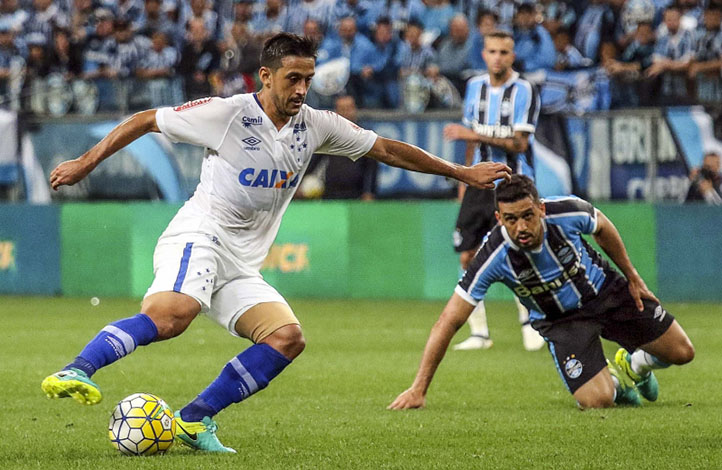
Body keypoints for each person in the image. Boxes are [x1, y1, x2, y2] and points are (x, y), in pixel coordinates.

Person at [41, 33, 511, 453]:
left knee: (286, 338)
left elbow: (385, 148)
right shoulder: (226, 114)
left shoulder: (317, 125)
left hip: (242, 262)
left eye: (307, 79)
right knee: (172, 316)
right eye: (292, 79)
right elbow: (145, 119)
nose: (302, 89)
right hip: (200, 236)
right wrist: (84, 163)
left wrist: (460, 172)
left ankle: (192, 419)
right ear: (265, 76)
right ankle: (78, 368)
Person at [389, 175, 695, 411]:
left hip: (606, 293)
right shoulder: (493, 256)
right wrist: (419, 388)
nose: (521, 226)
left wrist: (632, 276)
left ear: (541, 209)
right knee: (597, 401)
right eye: (510, 219)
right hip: (561, 323)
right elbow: (449, 321)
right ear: (499, 218)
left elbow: (602, 226)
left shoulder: (566, 212)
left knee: (683, 352)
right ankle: (615, 385)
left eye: (527, 215)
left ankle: (636, 365)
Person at [442, 30, 544, 352]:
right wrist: (465, 180)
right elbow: (472, 143)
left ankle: (531, 324)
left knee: (519, 251)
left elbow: (519, 142)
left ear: (512, 56)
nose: (497, 57)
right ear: (483, 54)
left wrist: (470, 133)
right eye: (492, 51)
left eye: (504, 52)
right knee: (467, 254)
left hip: (514, 182)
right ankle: (480, 333)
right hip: (479, 183)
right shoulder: (475, 87)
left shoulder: (524, 90)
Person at [299, 95, 377, 200]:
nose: (345, 113)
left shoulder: (365, 137)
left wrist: (369, 192)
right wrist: (298, 184)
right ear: (336, 112)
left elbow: (371, 168)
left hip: (357, 195)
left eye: (348, 109)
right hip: (331, 195)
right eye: (342, 109)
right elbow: (312, 163)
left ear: (355, 110)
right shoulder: (328, 137)